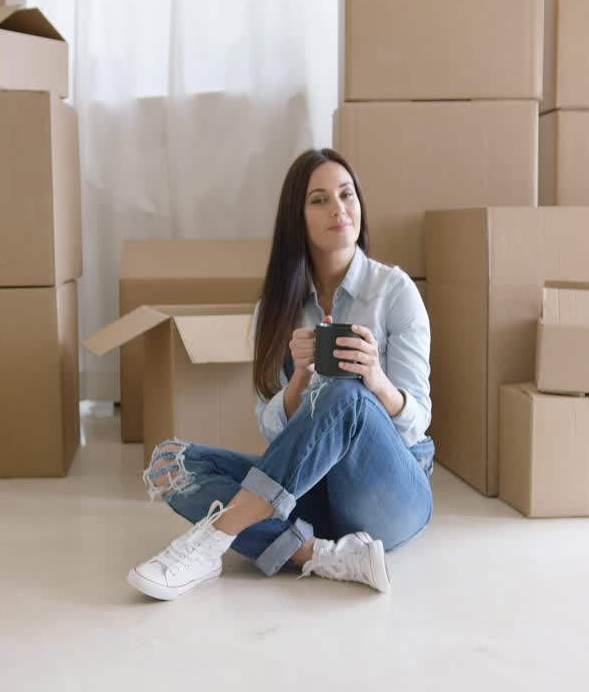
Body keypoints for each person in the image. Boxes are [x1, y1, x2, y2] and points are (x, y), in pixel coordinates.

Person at [127, 148, 434, 601]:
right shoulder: (275, 307)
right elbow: (271, 431)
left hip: (389, 493)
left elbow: (417, 421)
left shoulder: (394, 291)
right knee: (169, 466)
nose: (338, 209)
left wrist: (375, 379)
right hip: (311, 491)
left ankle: (213, 540)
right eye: (319, 200)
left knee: (345, 394)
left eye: (346, 194)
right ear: (297, 218)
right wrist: (298, 383)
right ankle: (319, 554)